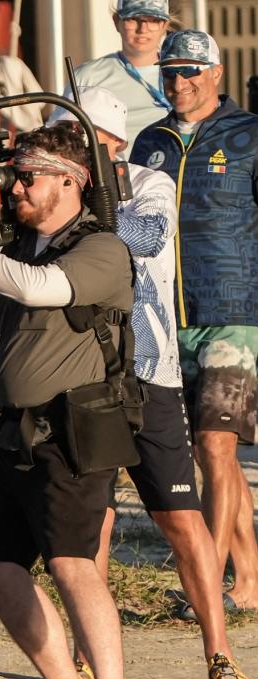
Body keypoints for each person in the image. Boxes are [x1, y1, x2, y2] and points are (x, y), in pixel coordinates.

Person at [46, 87, 256, 679]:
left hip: (152, 373)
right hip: (84, 377)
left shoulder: (148, 180)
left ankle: (220, 657)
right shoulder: (59, 199)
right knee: (96, 525)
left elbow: (146, 237)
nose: (60, 162)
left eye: (72, 147)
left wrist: (96, 188)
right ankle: (88, 661)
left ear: (105, 146)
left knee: (180, 522)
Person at [0, 124, 137, 679]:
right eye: (16, 175)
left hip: (72, 428)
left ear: (70, 181)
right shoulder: (16, 250)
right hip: (12, 432)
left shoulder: (101, 248)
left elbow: (42, 290)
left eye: (29, 176)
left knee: (72, 561)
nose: (16, 187)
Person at [131, 31, 258, 616]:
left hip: (234, 312)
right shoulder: (148, 140)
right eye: (168, 72)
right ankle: (250, 583)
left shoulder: (250, 135)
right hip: (164, 314)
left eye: (188, 71)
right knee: (207, 453)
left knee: (215, 444)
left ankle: (207, 581)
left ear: (215, 72)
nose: (178, 83)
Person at [71, 0, 172, 157]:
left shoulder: (181, 74)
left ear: (165, 25)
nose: (143, 29)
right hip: (114, 176)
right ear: (117, 21)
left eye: (153, 20)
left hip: (173, 173)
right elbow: (64, 136)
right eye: (133, 19)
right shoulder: (87, 76)